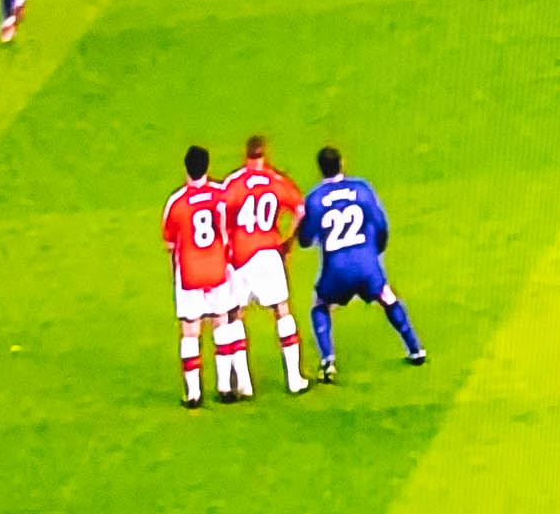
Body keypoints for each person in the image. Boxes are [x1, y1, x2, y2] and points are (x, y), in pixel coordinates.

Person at [299, 145, 427, 378]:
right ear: (342, 163)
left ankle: (328, 360)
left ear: (320, 169)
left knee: (320, 304)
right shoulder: (361, 188)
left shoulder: (315, 198)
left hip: (336, 269)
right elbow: (381, 225)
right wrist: (376, 251)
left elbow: (305, 240)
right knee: (387, 295)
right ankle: (415, 348)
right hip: (366, 264)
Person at [216, 133, 310, 397]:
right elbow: (300, 209)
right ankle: (294, 379)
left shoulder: (235, 182)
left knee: (236, 314)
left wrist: (226, 241)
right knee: (281, 310)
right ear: (264, 154)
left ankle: (244, 384)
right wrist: (288, 239)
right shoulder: (275, 181)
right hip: (269, 252)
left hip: (240, 256)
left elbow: (220, 210)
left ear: (246, 155)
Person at [158, 146, 245, 406]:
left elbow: (170, 244)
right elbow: (231, 226)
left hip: (190, 272)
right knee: (221, 322)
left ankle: (194, 394)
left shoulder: (177, 202)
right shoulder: (220, 195)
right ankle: (225, 387)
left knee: (190, 330)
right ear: (207, 167)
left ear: (186, 168)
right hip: (217, 269)